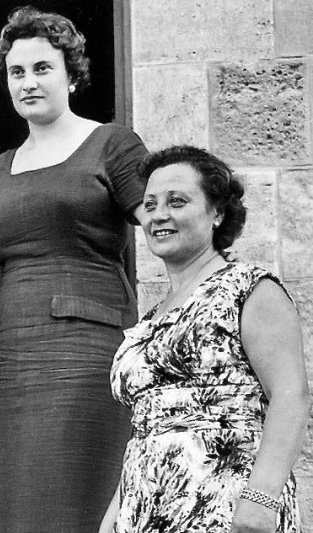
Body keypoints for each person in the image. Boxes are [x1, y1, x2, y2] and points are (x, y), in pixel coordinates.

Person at [0, 6, 150, 531]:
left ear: (71, 75)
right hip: (9, 348)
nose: (28, 82)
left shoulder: (112, 144)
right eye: (17, 72)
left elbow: (165, 225)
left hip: (87, 345)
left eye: (42, 68)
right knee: (15, 500)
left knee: (76, 495)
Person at [101, 145, 310, 533]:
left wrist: (261, 499)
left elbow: (290, 396)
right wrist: (113, 518)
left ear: (217, 212)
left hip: (226, 506)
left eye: (177, 201)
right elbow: (148, 429)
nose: (158, 214)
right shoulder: (150, 320)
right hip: (145, 509)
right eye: (150, 204)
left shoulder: (249, 288)